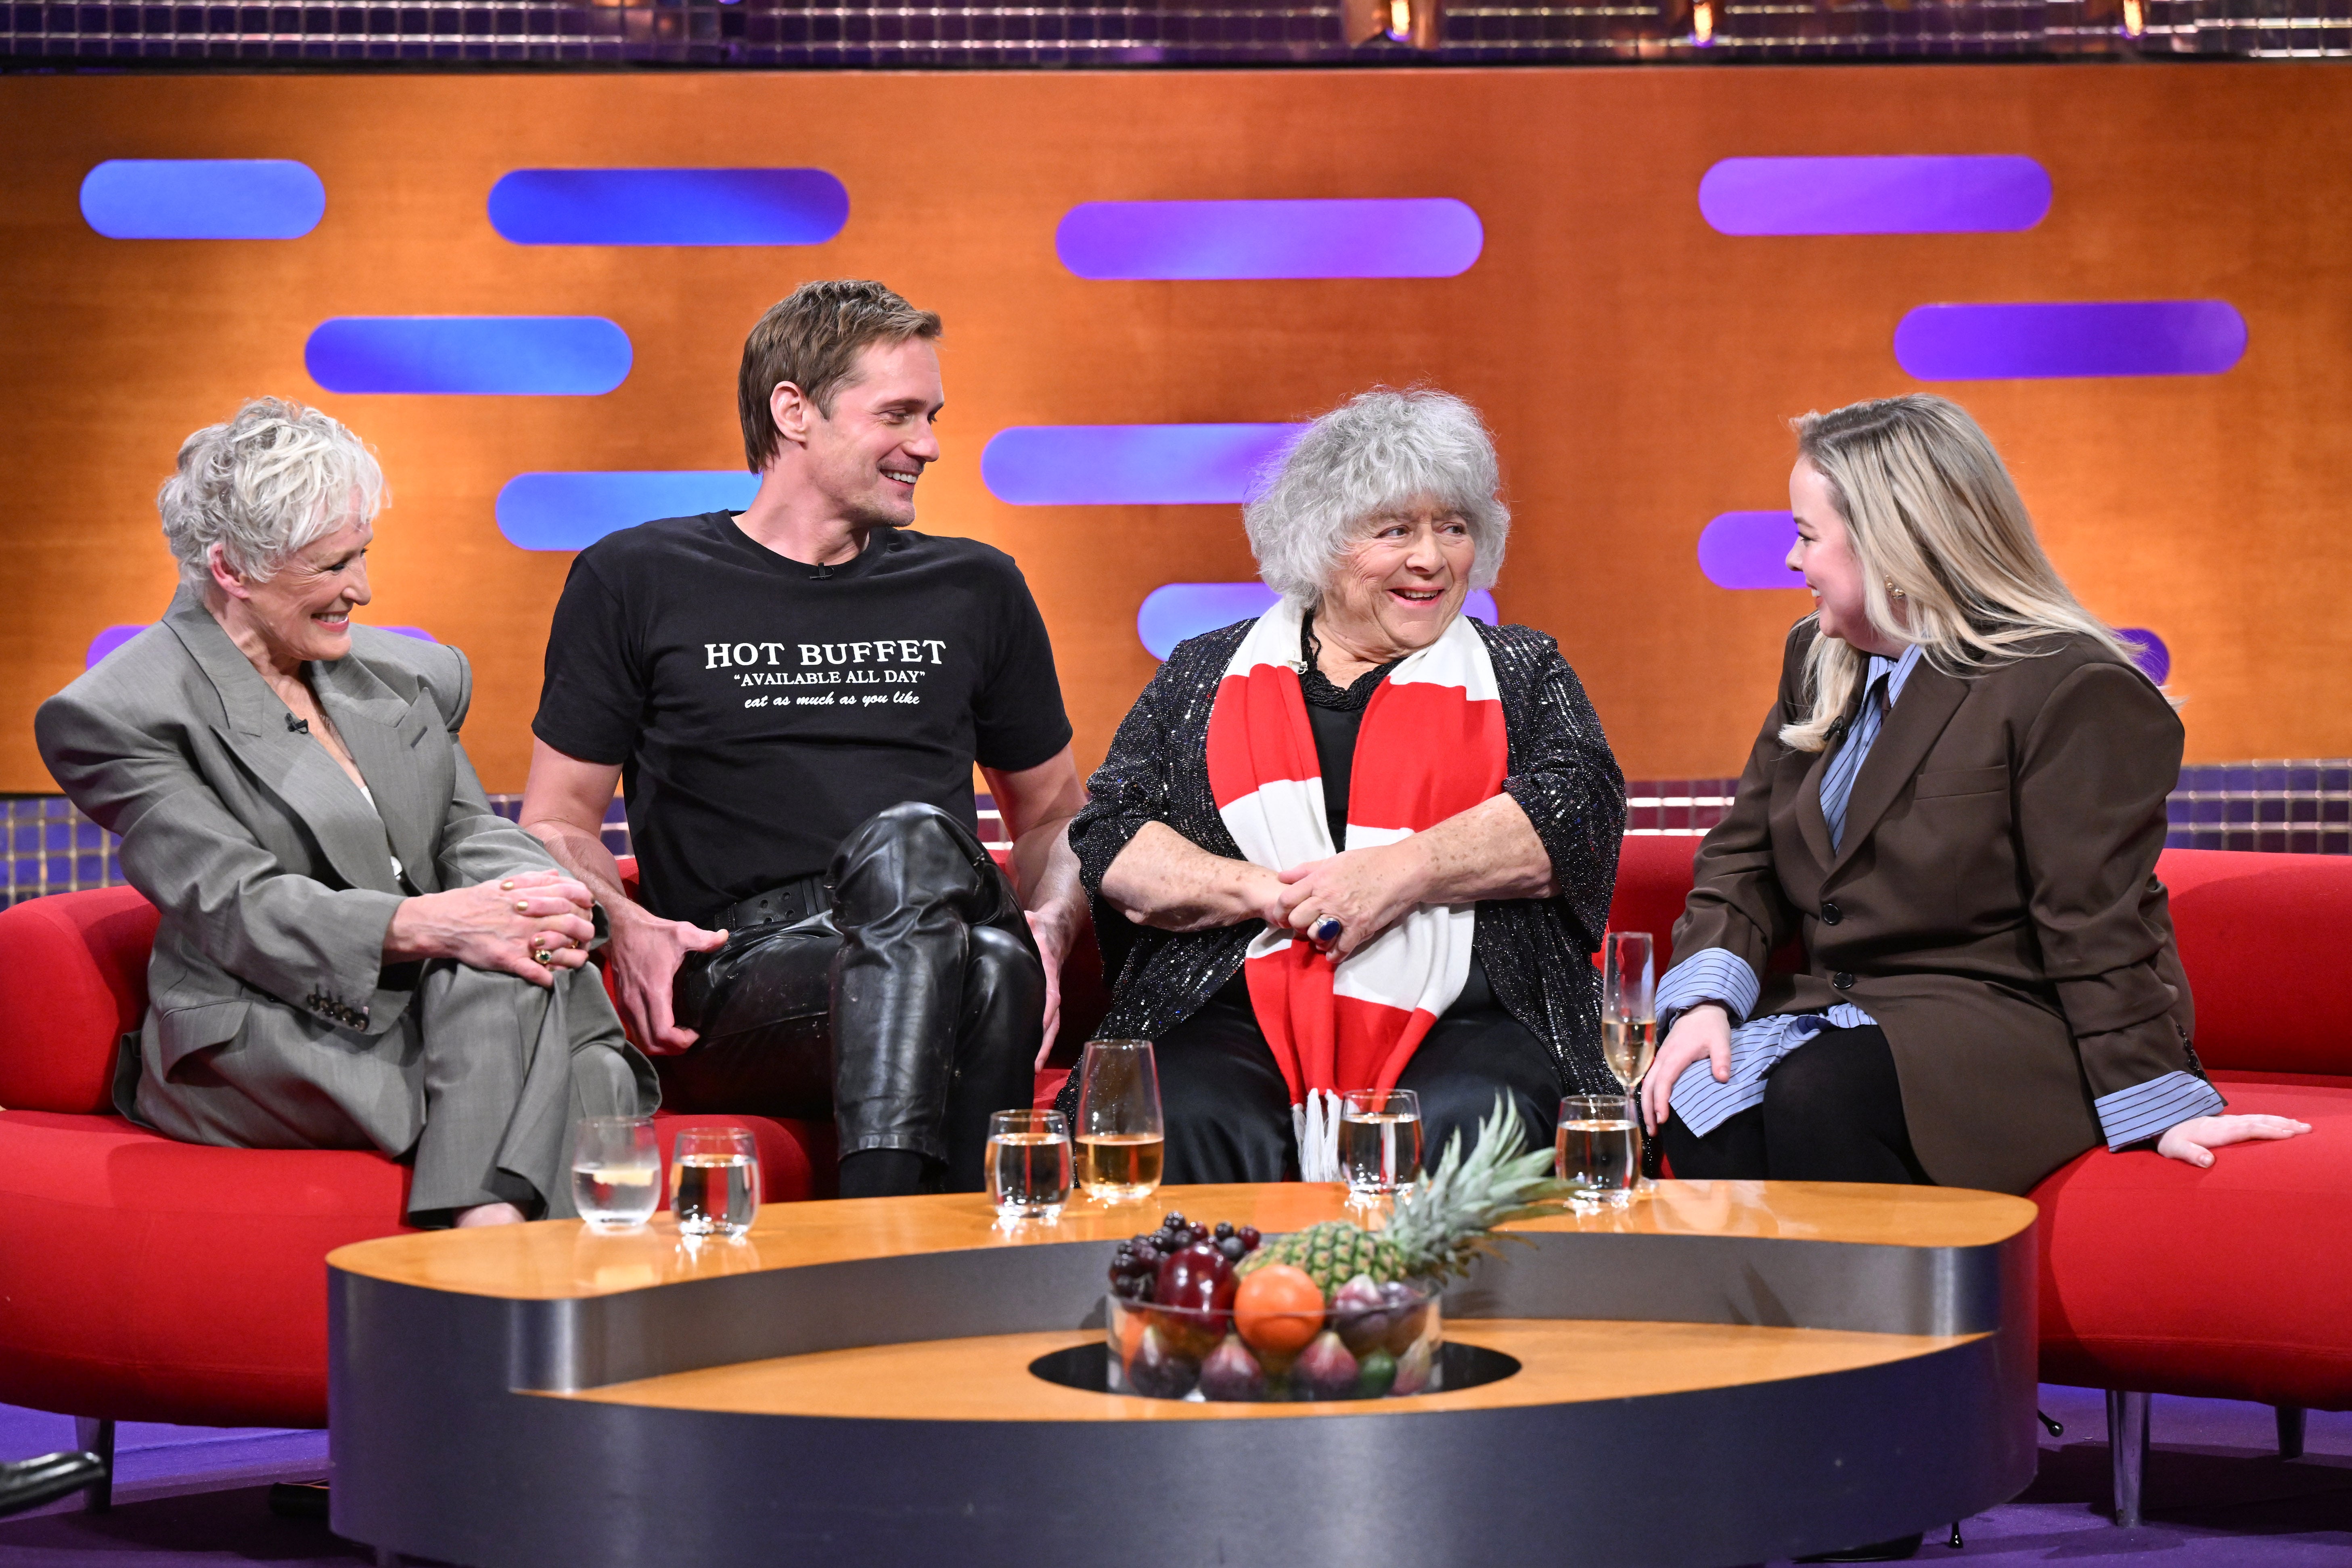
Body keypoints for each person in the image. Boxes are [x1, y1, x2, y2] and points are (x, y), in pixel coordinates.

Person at [1642, 394, 2312, 1198]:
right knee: (1696, 1091)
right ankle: (1774, 1327)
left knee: (1820, 1095)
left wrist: (2157, 1098)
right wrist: (1706, 1003)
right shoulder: (1815, 657)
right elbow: (1742, 854)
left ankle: (1913, 1327)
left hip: (2007, 1020)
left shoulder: (2068, 685)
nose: (1792, 562)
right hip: (1846, 1013)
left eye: (1806, 536)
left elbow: (2093, 918)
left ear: (1891, 545)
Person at [519, 279, 1088, 1200]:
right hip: (745, 977)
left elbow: (1056, 814)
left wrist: (1054, 929)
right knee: (981, 966)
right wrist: (622, 922)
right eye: (897, 414)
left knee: (937, 888)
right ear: (794, 410)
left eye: (933, 415)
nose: (929, 445)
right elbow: (555, 821)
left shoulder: (976, 586)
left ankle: (876, 1256)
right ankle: (931, 1262)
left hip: (940, 913)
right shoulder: (637, 577)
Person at [36, 399, 655, 1228]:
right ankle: (489, 1244)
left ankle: (483, 1240)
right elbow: (237, 900)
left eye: (361, 555)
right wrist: (438, 925)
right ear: (233, 570)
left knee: (507, 970)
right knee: (590, 1072)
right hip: (271, 1021)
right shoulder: (120, 714)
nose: (361, 589)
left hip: (441, 989)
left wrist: (526, 901)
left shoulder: (413, 675)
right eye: (332, 566)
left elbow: (467, 831)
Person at [1064, 388, 1626, 1183]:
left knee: (1475, 1114)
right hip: (1231, 1000)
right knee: (1182, 1110)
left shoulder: (1524, 669)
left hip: (1472, 1008)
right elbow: (1112, 834)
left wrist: (1396, 874)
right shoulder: (1201, 671)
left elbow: (1576, 809)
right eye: (1395, 529)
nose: (1430, 558)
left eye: (1452, 527)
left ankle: (1429, 1313)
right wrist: (1269, 893)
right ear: (1320, 542)